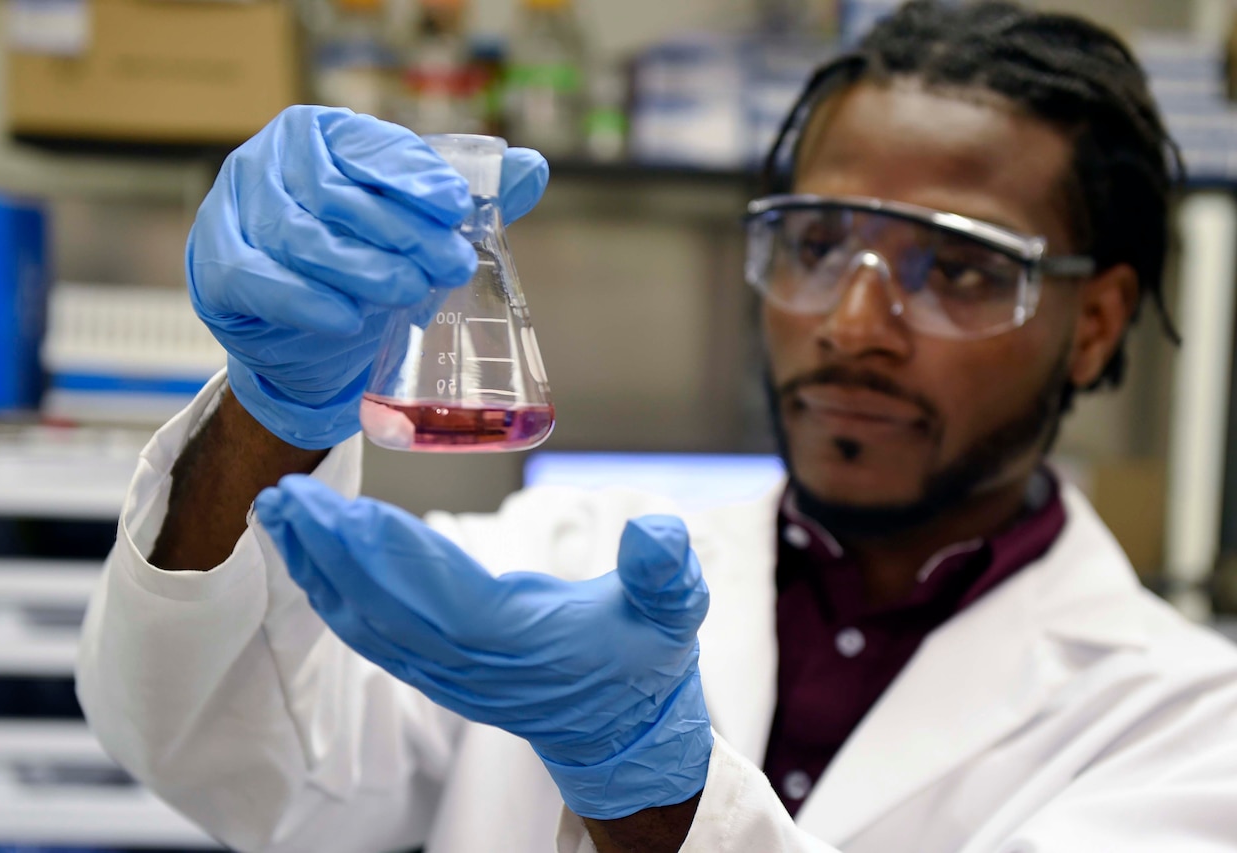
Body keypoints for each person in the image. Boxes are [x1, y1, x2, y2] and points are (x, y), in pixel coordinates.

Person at [77, 2, 1237, 851]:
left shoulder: (1190, 729)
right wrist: (272, 406)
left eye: (960, 270)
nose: (851, 321)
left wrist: (650, 793)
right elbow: (223, 748)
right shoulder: (565, 559)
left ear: (1093, 326)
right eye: (818, 243)